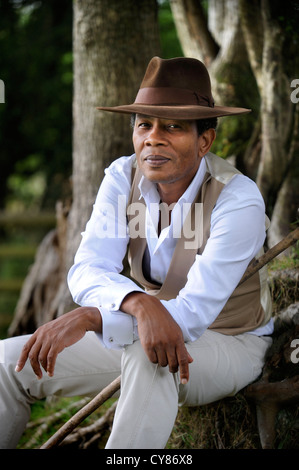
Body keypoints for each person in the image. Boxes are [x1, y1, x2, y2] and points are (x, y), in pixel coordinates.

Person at [0, 57, 273, 449]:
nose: (153, 138)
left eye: (173, 126)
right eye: (144, 124)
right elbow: (88, 268)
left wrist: (96, 315)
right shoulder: (121, 176)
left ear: (205, 140)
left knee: (154, 356)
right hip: (139, 333)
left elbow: (192, 316)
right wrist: (138, 305)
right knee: (7, 364)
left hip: (231, 342)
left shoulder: (237, 198)